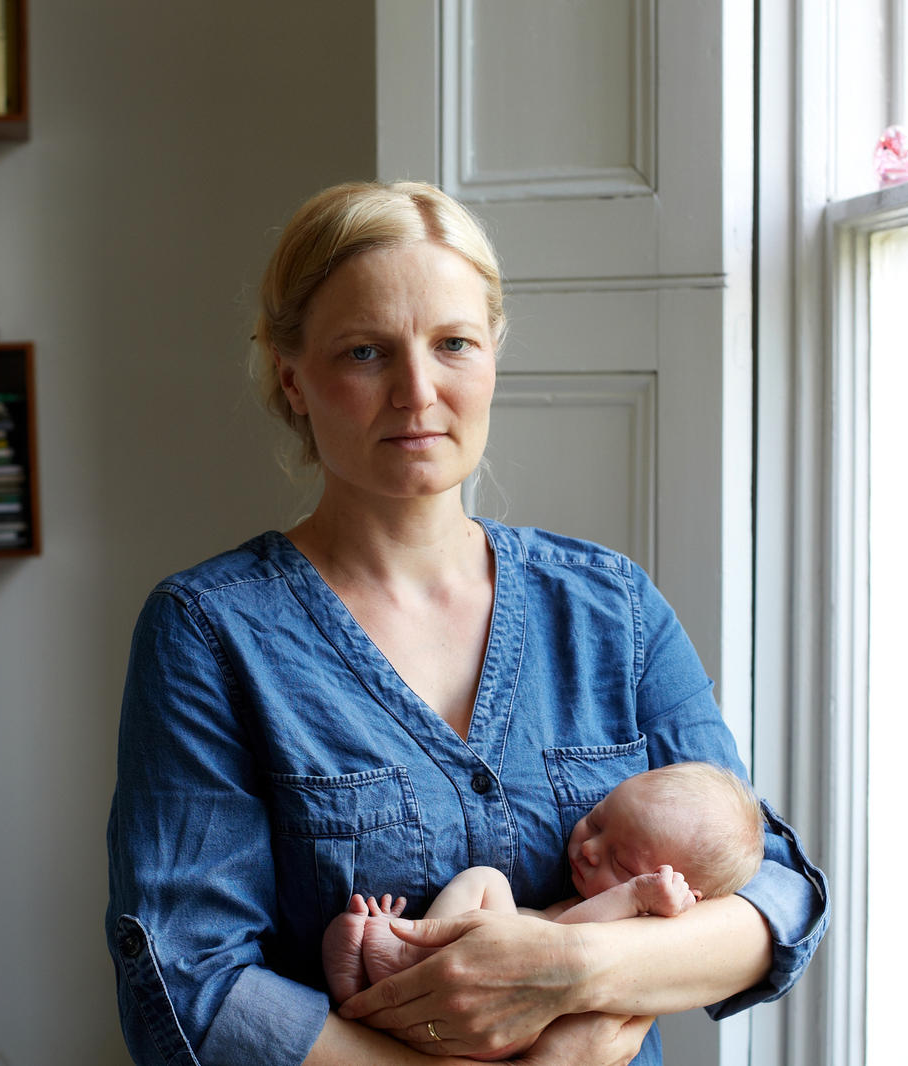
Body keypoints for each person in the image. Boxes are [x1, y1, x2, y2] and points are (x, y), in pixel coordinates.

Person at [105, 179, 828, 1066]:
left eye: (453, 344)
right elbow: (191, 985)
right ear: (292, 378)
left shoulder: (612, 607)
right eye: (365, 352)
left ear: (492, 355)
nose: (417, 392)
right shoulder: (209, 633)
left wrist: (567, 970)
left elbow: (770, 895)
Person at [321, 761, 767, 1015]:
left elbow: (564, 945)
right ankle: (361, 991)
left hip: (520, 1011)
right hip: (490, 993)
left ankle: (408, 955)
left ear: (682, 895)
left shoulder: (642, 925)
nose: (589, 847)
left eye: (621, 863)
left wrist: (635, 897)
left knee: (486, 880)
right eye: (597, 819)